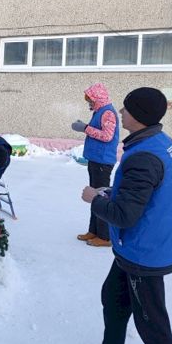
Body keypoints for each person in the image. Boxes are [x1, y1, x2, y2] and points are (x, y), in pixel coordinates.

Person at [76, 87, 172, 344]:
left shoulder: (144, 156)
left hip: (144, 252)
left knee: (152, 323)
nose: (121, 112)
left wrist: (94, 199)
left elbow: (124, 215)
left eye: (127, 108)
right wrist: (114, 190)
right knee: (113, 299)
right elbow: (147, 190)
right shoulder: (158, 141)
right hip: (140, 246)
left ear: (139, 115)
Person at [71, 83, 119, 247]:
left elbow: (107, 136)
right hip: (96, 160)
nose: (89, 103)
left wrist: (85, 128)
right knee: (94, 196)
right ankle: (94, 230)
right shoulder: (100, 111)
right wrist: (86, 126)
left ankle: (105, 236)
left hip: (102, 162)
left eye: (90, 100)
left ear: (98, 98)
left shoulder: (108, 113)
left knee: (101, 198)